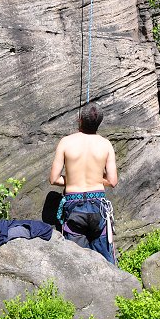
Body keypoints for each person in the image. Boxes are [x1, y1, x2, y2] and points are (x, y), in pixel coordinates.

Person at [49, 103, 117, 264]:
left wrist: (74, 179)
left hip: (74, 206)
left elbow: (54, 179)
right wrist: (95, 179)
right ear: (99, 122)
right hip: (98, 206)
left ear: (79, 119)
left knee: (76, 260)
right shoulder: (106, 144)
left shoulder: (65, 142)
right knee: (105, 259)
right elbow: (112, 181)